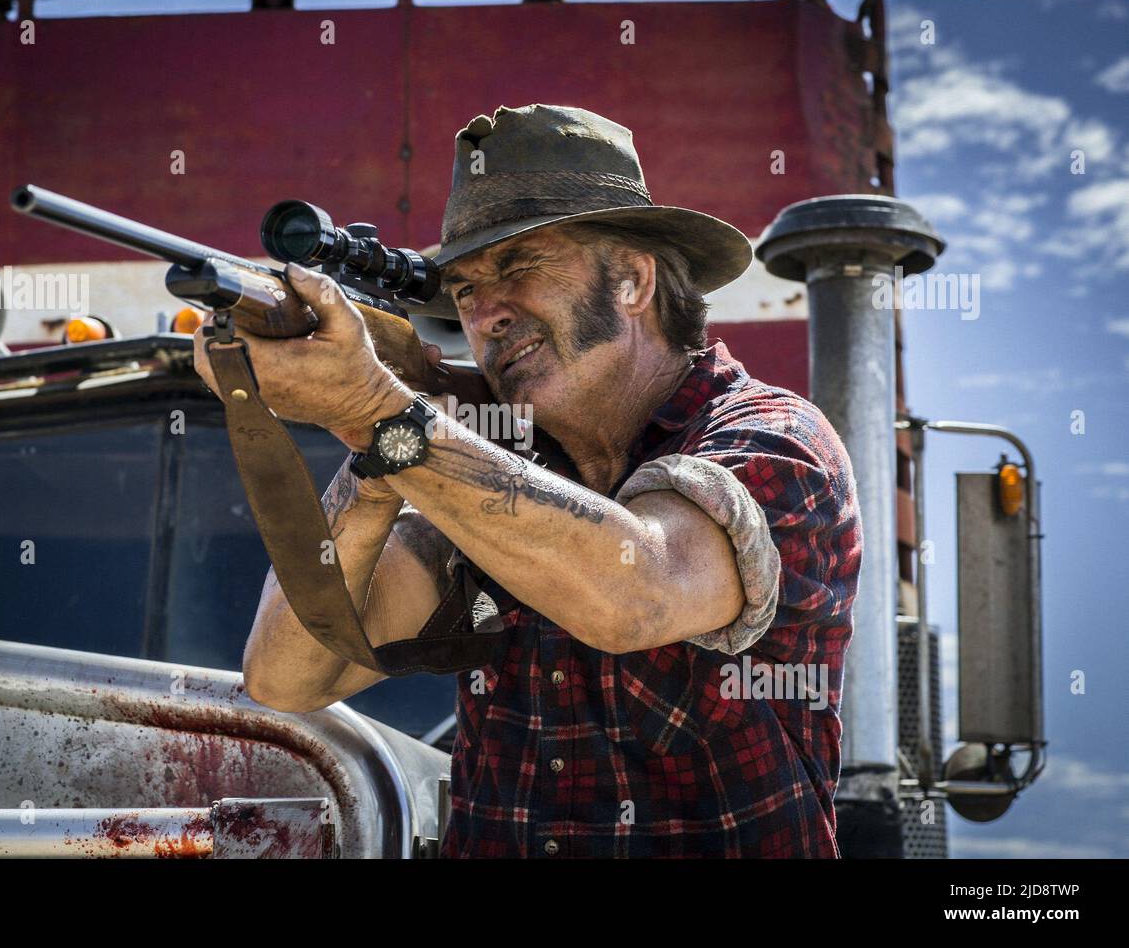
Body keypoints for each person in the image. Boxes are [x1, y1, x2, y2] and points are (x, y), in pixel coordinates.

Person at [195, 104, 862, 858]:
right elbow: (289, 675)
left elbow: (634, 594)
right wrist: (376, 448)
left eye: (520, 267)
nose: (488, 315)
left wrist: (384, 413)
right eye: (468, 292)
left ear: (634, 280)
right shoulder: (473, 463)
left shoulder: (775, 439)